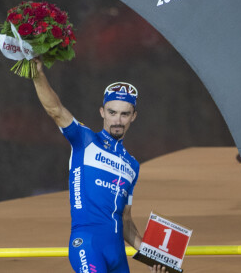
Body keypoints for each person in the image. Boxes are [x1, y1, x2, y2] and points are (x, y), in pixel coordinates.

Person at [32, 59, 168, 273]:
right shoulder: (84, 140)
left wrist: (153, 257)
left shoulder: (132, 165)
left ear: (133, 116)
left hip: (117, 253)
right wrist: (37, 75)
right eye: (112, 112)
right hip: (87, 244)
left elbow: (126, 221)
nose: (117, 120)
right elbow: (55, 109)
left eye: (124, 114)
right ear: (102, 112)